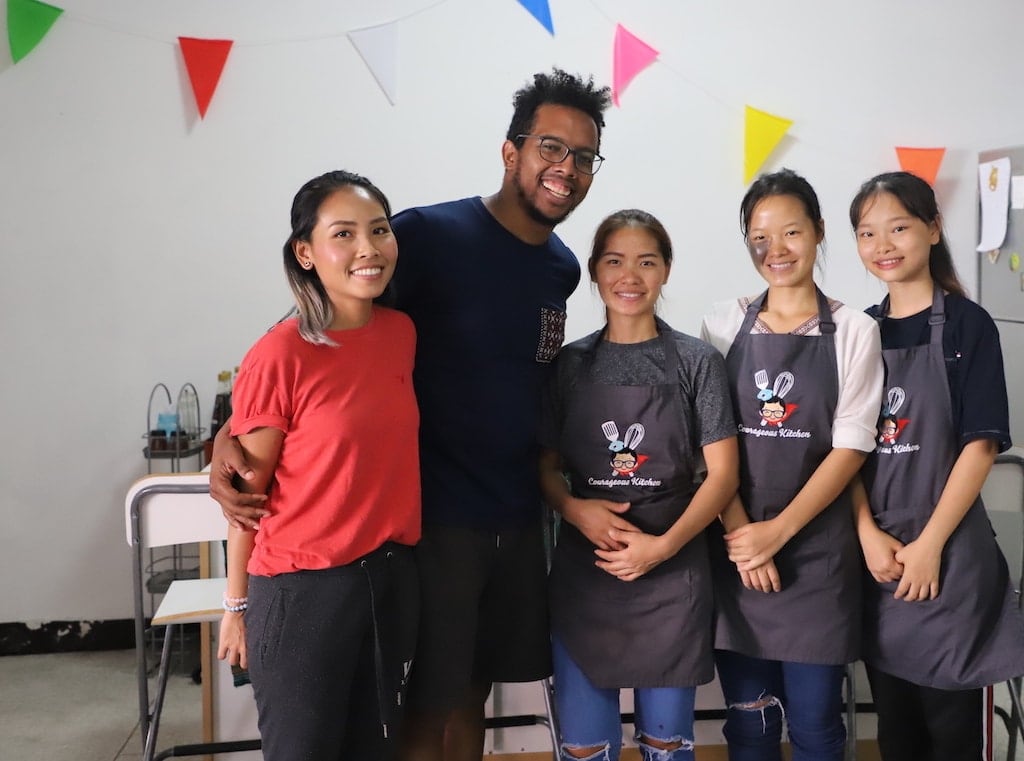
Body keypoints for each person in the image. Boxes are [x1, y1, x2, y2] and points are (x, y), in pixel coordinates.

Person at [210, 69, 613, 761]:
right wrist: (229, 433)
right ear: (510, 151)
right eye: (551, 146)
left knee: (474, 694)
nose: (566, 168)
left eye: (583, 155)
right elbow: (314, 328)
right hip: (430, 520)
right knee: (425, 707)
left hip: (514, 517)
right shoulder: (428, 234)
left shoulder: (561, 267)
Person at [215, 170, 420, 761]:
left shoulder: (401, 333)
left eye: (379, 231)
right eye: (344, 234)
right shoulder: (280, 351)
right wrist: (236, 608)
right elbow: (244, 497)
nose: (367, 249)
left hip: (389, 580)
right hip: (302, 594)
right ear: (305, 253)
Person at [539, 209, 739, 760]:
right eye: (615, 261)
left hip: (673, 576)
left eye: (646, 262)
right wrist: (575, 509)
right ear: (596, 272)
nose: (630, 276)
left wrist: (661, 549)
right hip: (588, 575)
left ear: (667, 271)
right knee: (583, 747)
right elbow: (544, 464)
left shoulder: (698, 362)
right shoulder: (570, 364)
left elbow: (723, 475)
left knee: (668, 743)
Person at [700, 169, 884, 761]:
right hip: (737, 554)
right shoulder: (724, 323)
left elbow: (851, 448)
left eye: (791, 233)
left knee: (816, 727)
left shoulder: (856, 330)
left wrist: (776, 533)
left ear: (819, 233)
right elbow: (710, 442)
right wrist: (742, 538)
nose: (775, 251)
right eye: (759, 238)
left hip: (817, 560)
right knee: (749, 728)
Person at [849, 171, 1024, 760]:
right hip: (880, 564)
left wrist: (928, 546)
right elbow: (844, 455)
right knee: (897, 734)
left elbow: (980, 446)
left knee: (952, 738)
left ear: (932, 228)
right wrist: (866, 533)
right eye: (867, 232)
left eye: (898, 227)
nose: (884, 245)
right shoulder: (858, 333)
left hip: (948, 560)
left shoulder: (968, 326)